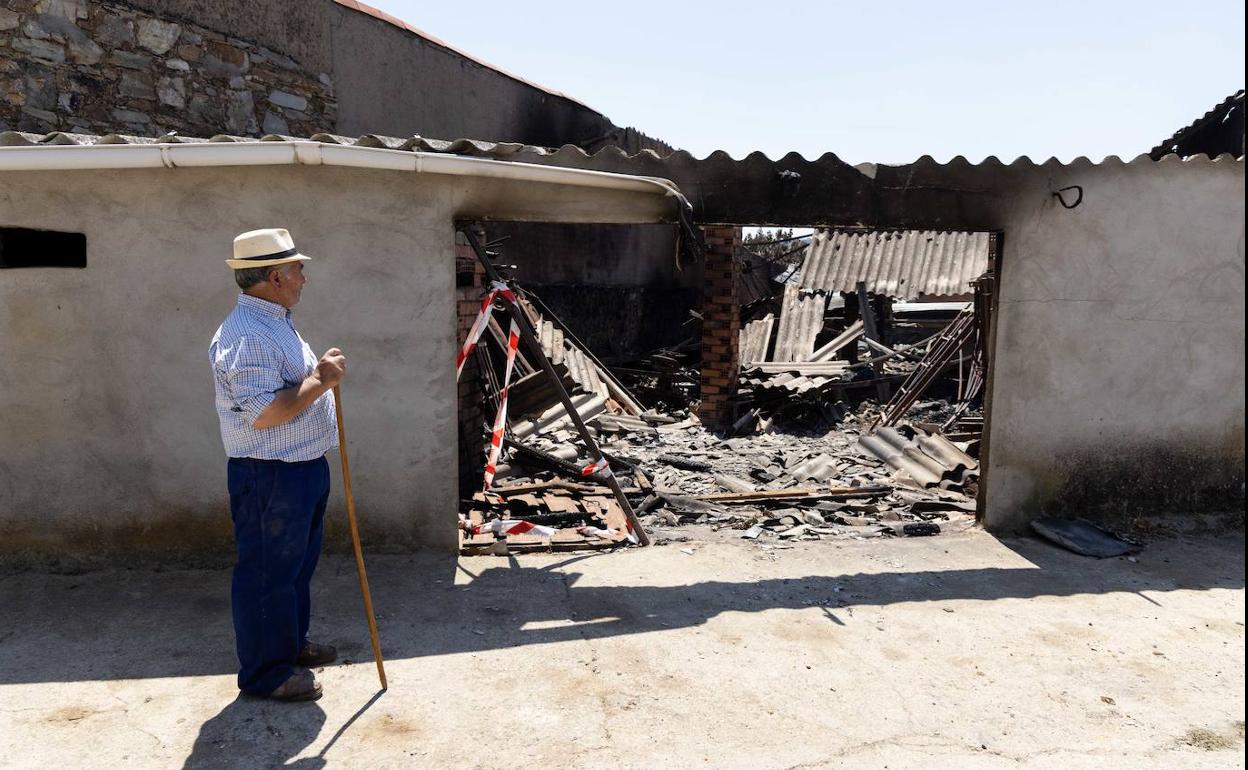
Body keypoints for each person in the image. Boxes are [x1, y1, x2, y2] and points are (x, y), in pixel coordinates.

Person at [209, 228, 345, 702]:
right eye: (297, 269)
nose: (304, 277)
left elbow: (291, 387)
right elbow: (265, 414)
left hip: (300, 467)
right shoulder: (246, 335)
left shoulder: (274, 322)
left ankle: (288, 647)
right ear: (274, 276)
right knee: (268, 574)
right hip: (270, 474)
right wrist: (322, 381)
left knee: (293, 570)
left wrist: (316, 374)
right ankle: (268, 674)